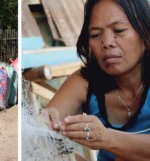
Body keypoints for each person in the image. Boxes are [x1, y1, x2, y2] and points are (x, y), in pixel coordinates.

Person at [46, 0, 150, 160]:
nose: (107, 43)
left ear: (146, 33)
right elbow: (42, 132)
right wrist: (46, 124)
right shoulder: (85, 81)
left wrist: (107, 138)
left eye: (119, 30)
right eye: (95, 34)